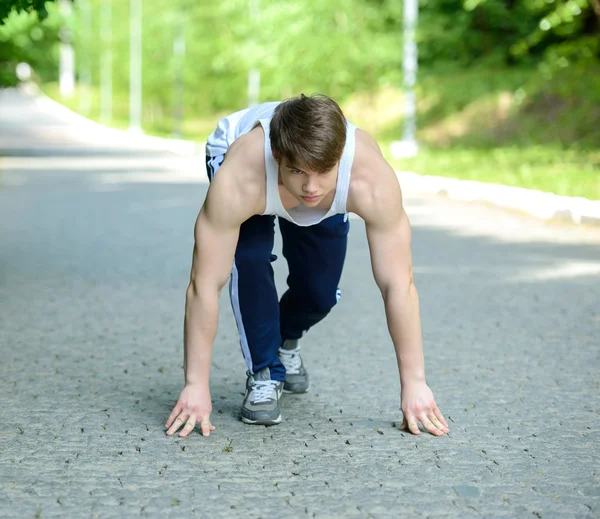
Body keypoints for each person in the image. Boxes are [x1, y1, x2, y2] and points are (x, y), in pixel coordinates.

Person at [165, 94, 449, 438]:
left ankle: (284, 339)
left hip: (318, 173)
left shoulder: (369, 179)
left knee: (319, 291)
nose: (310, 187)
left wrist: (415, 383)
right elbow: (205, 284)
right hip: (243, 162)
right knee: (250, 260)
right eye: (297, 171)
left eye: (323, 173)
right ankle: (265, 371)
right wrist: (195, 384)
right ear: (276, 156)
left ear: (340, 159)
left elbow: (398, 285)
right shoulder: (241, 176)